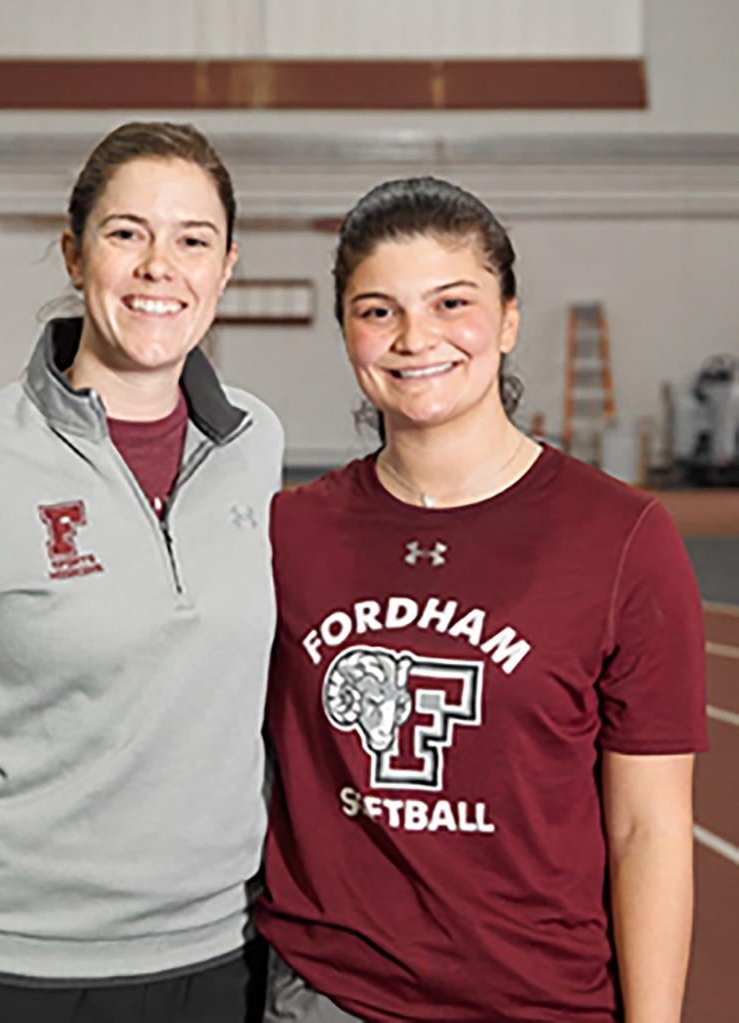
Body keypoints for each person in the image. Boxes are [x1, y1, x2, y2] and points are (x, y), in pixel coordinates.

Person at [0, 121, 282, 1023]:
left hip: (222, 953)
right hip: (9, 969)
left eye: (192, 240)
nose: (161, 265)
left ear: (225, 266)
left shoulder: (257, 445)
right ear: (75, 252)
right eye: (127, 233)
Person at [255, 176, 707, 1023]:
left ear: (507, 320)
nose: (414, 337)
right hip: (328, 996)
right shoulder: (290, 535)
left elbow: (647, 827)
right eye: (377, 309)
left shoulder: (620, 537)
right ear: (347, 330)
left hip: (537, 999)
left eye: (450, 301)